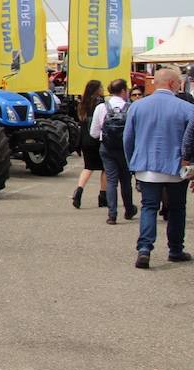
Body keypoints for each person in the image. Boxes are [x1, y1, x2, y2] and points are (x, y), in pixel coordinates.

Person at [124, 67, 194, 269]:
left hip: (146, 166)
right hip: (176, 167)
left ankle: (144, 249)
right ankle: (175, 249)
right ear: (173, 84)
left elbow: (128, 139)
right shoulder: (186, 108)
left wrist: (132, 164)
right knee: (177, 209)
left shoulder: (137, 106)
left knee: (149, 207)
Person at [90, 78, 137, 224]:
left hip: (107, 148)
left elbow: (94, 132)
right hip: (125, 148)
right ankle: (129, 209)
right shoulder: (130, 107)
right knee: (125, 180)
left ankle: (112, 214)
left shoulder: (101, 107)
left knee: (111, 181)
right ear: (123, 91)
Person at [73, 79, 107, 209]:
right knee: (105, 168)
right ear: (97, 89)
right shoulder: (100, 103)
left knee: (88, 167)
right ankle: (103, 196)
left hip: (85, 140)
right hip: (97, 138)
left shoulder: (82, 104)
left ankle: (79, 190)